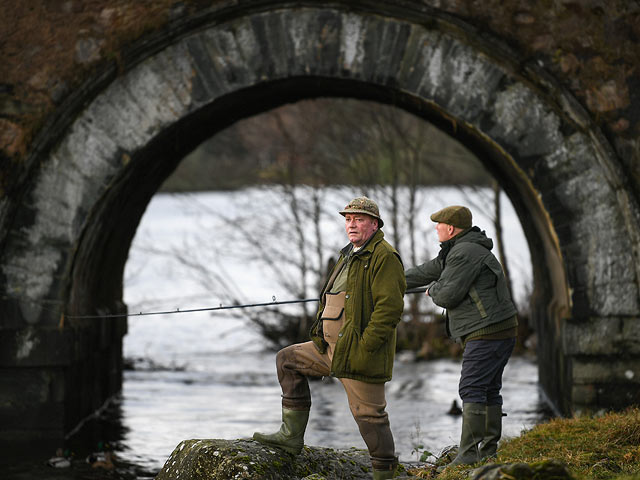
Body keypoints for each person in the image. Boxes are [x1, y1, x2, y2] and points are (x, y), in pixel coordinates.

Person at [253, 196, 406, 480]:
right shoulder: (348, 252)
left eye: (359, 219)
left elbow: (390, 309)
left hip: (359, 353)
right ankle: (290, 436)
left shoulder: (384, 256)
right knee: (287, 360)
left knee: (370, 418)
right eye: (348, 219)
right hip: (327, 349)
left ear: (374, 223)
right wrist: (319, 334)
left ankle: (387, 475)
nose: (352, 224)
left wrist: (365, 347)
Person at [404, 205, 518, 468]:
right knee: (488, 389)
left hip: (487, 332)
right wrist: (391, 279)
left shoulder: (464, 253)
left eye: (438, 224)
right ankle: (487, 452)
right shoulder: (458, 250)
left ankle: (468, 454)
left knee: (471, 388)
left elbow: (447, 294)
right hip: (498, 330)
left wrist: (433, 290)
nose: (435, 228)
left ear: (451, 228)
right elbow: (427, 271)